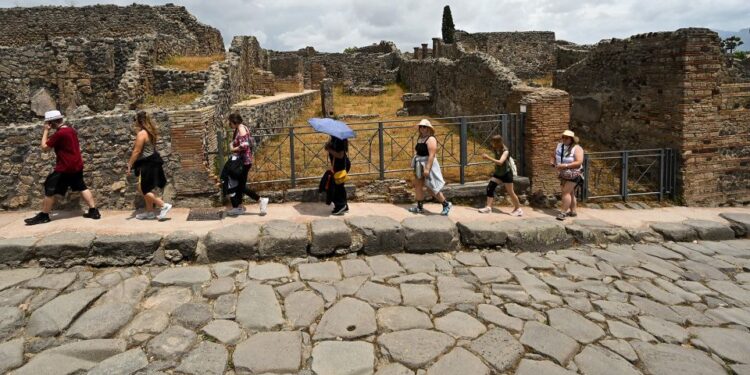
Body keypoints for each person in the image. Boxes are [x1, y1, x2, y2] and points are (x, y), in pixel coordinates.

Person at [24, 110, 101, 225]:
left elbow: (44, 147)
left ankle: (44, 215)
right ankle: (93, 211)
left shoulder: (59, 133)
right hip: (76, 165)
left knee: (49, 187)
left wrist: (45, 130)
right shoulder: (71, 130)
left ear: (52, 123)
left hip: (65, 167)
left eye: (48, 123)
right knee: (81, 186)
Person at [127, 111, 172, 220]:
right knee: (146, 188)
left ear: (139, 121)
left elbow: (136, 151)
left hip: (147, 164)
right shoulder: (151, 132)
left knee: (142, 189)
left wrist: (129, 165)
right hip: (153, 162)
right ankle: (150, 212)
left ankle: (163, 205)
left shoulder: (142, 133)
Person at [224, 113, 268, 216]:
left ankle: (261, 200)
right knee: (239, 185)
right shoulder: (243, 127)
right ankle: (238, 207)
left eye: (230, 122)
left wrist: (232, 148)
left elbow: (245, 145)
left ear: (234, 122)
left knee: (240, 186)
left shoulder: (241, 130)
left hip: (242, 163)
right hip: (245, 161)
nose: (229, 125)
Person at [408, 119, 452, 215]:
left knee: (432, 187)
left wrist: (427, 168)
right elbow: (419, 152)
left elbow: (431, 155)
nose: (422, 128)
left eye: (424, 126)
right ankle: (419, 207)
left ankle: (446, 204)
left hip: (428, 164)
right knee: (418, 185)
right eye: (421, 127)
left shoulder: (431, 139)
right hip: (419, 164)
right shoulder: (420, 138)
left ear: (428, 128)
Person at [479, 135, 523, 216]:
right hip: (498, 173)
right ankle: (488, 208)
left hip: (506, 173)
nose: (491, 143)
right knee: (490, 187)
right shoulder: (496, 148)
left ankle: (518, 209)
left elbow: (500, 162)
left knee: (511, 192)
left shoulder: (505, 151)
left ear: (497, 142)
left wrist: (488, 158)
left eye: (493, 141)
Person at [551, 129, 584, 220]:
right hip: (563, 173)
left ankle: (563, 212)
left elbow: (579, 161)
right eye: (563, 137)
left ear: (571, 139)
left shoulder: (577, 148)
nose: (564, 139)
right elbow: (553, 156)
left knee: (565, 192)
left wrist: (565, 165)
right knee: (571, 192)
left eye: (567, 138)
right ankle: (573, 211)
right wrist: (553, 163)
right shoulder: (559, 146)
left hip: (573, 173)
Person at [325, 136, 350, 215]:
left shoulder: (340, 139)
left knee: (337, 186)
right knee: (339, 186)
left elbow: (340, 155)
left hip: (341, 166)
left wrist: (329, 149)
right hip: (337, 165)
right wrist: (328, 145)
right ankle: (343, 205)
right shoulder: (334, 138)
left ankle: (341, 205)